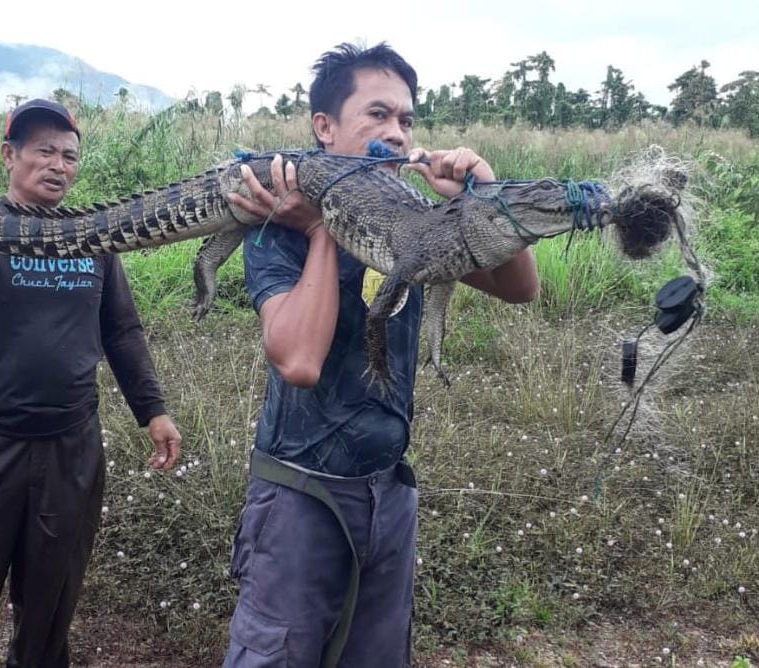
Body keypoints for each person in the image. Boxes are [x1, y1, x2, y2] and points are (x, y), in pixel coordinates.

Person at [222, 43, 540, 667]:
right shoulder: (274, 219)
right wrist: (320, 229)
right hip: (299, 498)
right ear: (325, 127)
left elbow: (519, 288)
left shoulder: (414, 213)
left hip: (387, 494)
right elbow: (299, 362)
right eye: (377, 115)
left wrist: (482, 197)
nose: (396, 134)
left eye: (407, 120)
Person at [0, 98, 183, 667]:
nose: (58, 165)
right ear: (9, 156)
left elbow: (120, 330)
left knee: (48, 616)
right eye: (43, 150)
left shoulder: (90, 236)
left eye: (69, 155)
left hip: (71, 450)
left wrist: (154, 411)